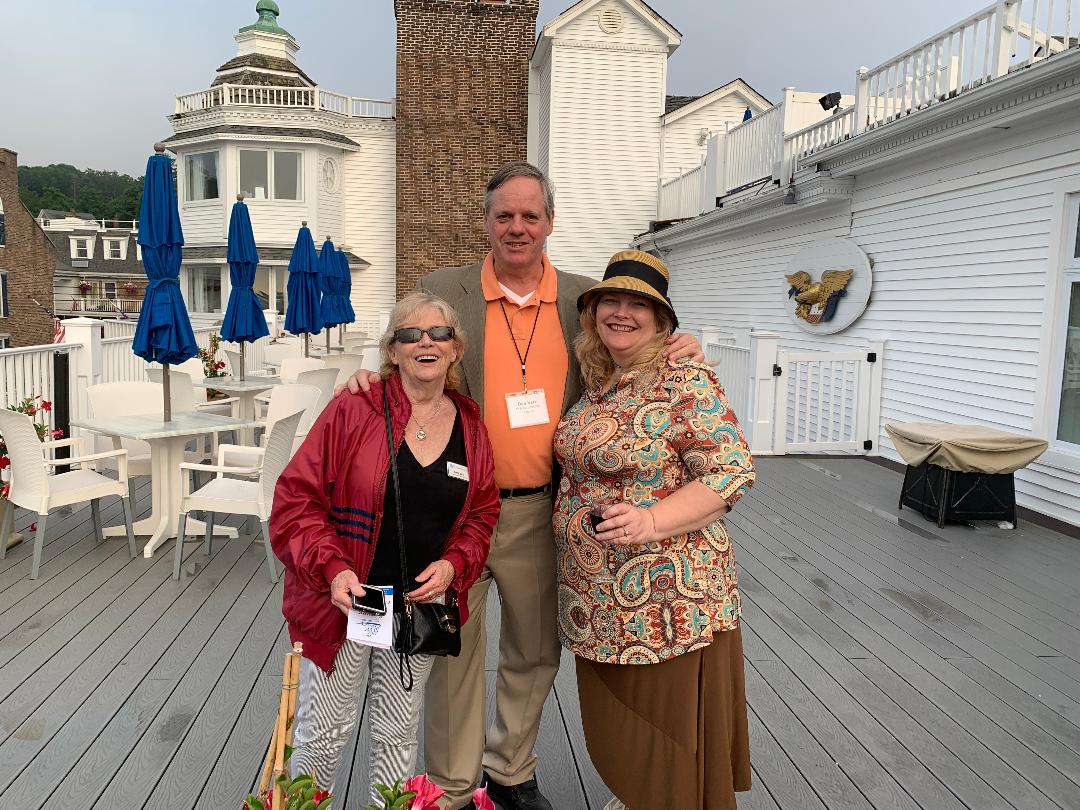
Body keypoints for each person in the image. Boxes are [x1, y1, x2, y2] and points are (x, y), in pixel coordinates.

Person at [344, 161, 703, 810]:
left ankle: (510, 771)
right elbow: (404, 364)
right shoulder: (442, 290)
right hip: (454, 514)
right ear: (485, 222)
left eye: (530, 215)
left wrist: (685, 346)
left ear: (550, 223)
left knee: (535, 652)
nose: (517, 227)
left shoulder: (586, 301)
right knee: (450, 651)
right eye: (504, 215)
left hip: (542, 510)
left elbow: (639, 345)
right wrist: (371, 384)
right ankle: (452, 787)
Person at [269, 291, 500, 802]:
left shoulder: (470, 424)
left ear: (455, 349)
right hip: (349, 601)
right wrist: (332, 569)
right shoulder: (355, 409)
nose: (425, 342)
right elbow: (294, 501)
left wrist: (454, 564)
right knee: (322, 734)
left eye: (439, 333)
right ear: (392, 351)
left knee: (397, 736)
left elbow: (482, 515)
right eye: (410, 334)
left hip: (417, 608)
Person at [552, 249, 755, 810]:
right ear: (592, 313)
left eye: (637, 304)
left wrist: (650, 521)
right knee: (618, 720)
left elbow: (731, 471)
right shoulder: (601, 378)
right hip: (597, 597)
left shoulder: (683, 377)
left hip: (666, 600)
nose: (622, 313)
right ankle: (644, 796)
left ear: (662, 320)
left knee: (661, 726)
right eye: (610, 301)